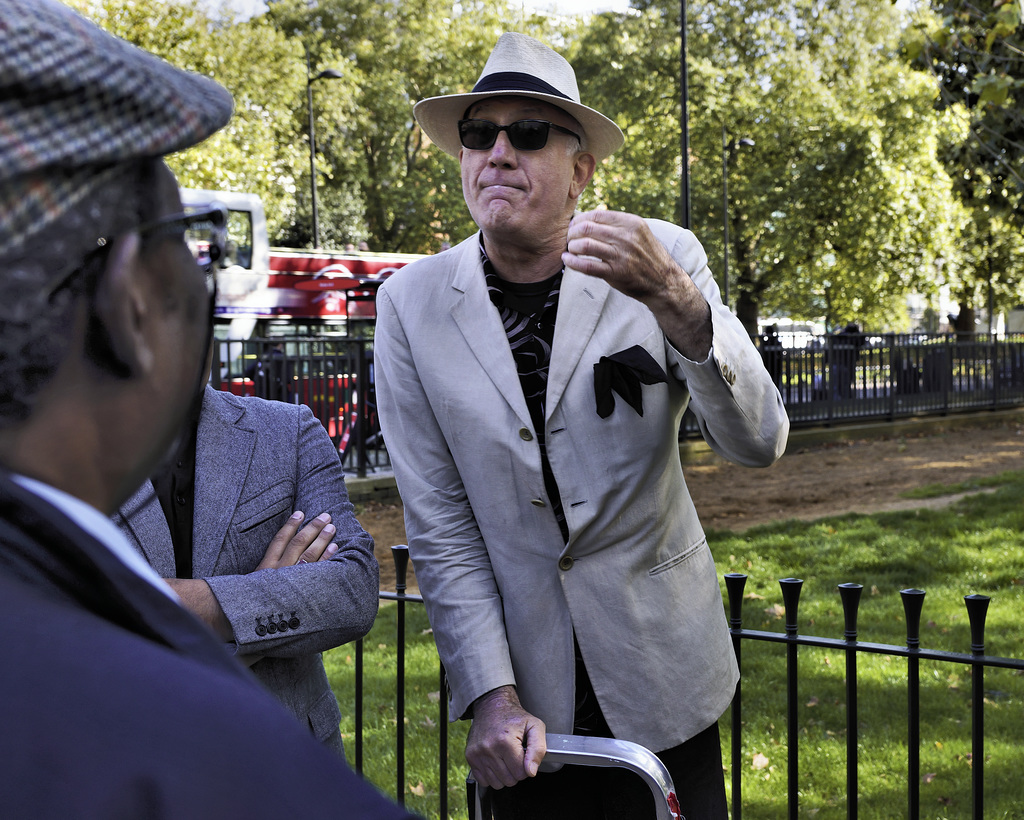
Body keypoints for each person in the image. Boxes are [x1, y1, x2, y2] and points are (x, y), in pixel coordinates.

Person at [0, 2, 416, 816]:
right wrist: (210, 605)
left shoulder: (284, 431)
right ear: (132, 300)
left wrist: (181, 598)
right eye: (187, 238)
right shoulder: (232, 777)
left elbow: (353, 586)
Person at [374, 32, 789, 820]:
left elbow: (758, 443)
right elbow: (441, 523)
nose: (497, 153)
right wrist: (491, 697)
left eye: (528, 134)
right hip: (528, 709)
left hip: (667, 672)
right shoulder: (410, 305)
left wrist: (679, 304)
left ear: (581, 172)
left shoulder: (663, 257)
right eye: (477, 134)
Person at [114, 380, 379, 755]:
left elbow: (355, 588)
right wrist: (261, 600)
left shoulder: (290, 430)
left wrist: (188, 605)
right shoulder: (37, 453)